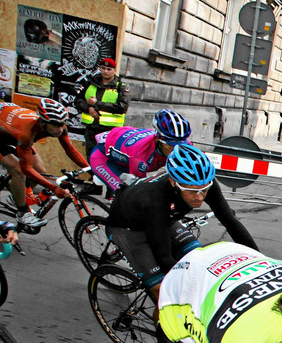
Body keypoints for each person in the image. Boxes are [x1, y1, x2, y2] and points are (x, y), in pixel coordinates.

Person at [105, 144, 256, 300]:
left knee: (200, 259)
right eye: (192, 191)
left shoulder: (204, 184)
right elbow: (165, 258)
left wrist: (259, 259)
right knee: (163, 289)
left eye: (203, 190)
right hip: (127, 227)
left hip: (165, 219)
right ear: (173, 182)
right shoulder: (155, 200)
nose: (199, 197)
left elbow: (230, 222)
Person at [0, 98, 89, 227]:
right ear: (42, 122)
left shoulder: (60, 127)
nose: (60, 129)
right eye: (55, 124)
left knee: (40, 170)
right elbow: (26, 168)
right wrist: (53, 188)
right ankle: (22, 212)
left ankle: (16, 196)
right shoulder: (27, 133)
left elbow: (70, 150)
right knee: (18, 171)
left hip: (11, 127)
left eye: (62, 123)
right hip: (6, 132)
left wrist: (91, 170)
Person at [89, 109, 192, 194]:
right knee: (128, 195)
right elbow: (140, 189)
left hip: (124, 149)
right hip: (103, 158)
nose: (176, 150)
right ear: (158, 140)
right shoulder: (140, 155)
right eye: (171, 146)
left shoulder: (186, 146)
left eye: (180, 145)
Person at [76, 57, 130, 149]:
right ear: (100, 68)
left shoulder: (120, 86)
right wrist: (89, 107)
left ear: (114, 70)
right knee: (91, 157)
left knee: (106, 157)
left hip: (110, 130)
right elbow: (78, 101)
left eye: (109, 69)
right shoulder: (90, 83)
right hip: (91, 128)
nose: (105, 71)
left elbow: (122, 107)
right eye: (103, 68)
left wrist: (97, 104)